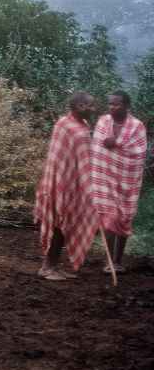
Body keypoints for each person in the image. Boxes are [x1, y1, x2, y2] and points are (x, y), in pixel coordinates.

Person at [34, 91, 100, 281]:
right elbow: (58, 157)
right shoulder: (65, 125)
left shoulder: (82, 125)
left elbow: (83, 160)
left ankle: (54, 265)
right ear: (80, 106)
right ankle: (47, 268)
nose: (94, 109)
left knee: (65, 224)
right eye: (91, 105)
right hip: (60, 182)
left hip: (73, 183)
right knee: (58, 224)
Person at [91, 90, 147, 274]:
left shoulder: (137, 126)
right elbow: (97, 149)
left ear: (127, 106)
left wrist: (116, 143)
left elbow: (139, 152)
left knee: (123, 218)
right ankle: (109, 262)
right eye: (110, 104)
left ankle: (118, 261)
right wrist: (109, 144)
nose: (112, 107)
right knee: (110, 216)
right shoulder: (103, 122)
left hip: (127, 180)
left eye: (117, 104)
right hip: (105, 179)